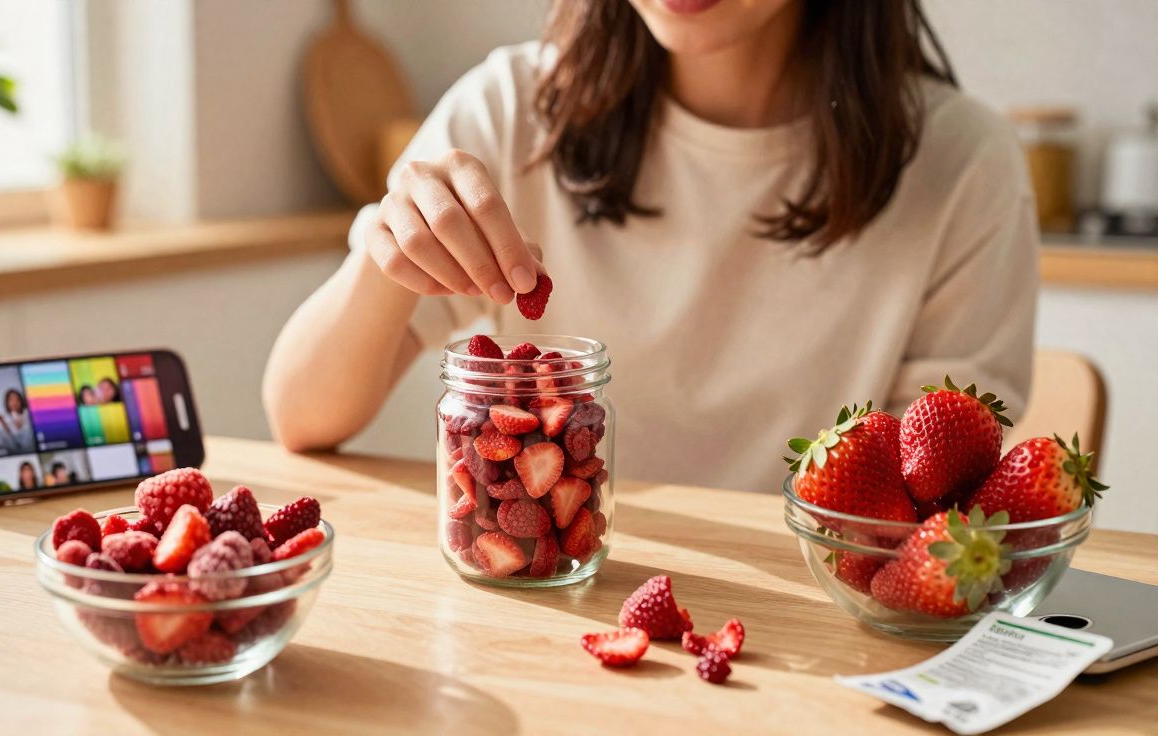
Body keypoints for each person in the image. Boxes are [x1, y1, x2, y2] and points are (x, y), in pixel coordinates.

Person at [262, 0, 1037, 494]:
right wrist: (384, 256)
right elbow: (301, 416)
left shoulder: (962, 162)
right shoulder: (510, 114)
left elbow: (926, 501)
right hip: (556, 600)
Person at [0, 389, 34, 454]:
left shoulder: (27, 413)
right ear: (7, 403)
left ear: (21, 401)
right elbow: (8, 437)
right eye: (11, 400)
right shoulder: (6, 417)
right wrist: (4, 424)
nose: (14, 402)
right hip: (13, 444)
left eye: (17, 399)